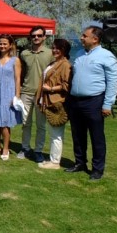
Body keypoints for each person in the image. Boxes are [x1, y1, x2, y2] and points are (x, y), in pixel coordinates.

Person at [66, 26, 117, 181]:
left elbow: (113, 82)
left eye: (84, 36)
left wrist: (107, 104)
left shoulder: (106, 56)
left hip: (94, 102)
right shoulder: (80, 54)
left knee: (96, 137)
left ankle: (97, 169)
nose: (81, 38)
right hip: (76, 101)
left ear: (95, 39)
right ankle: (80, 163)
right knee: (78, 135)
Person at [18, 26, 54, 163]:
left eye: (39, 35)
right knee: (25, 123)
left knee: (41, 125)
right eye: (33, 36)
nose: (36, 38)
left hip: (42, 94)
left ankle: (38, 150)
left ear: (44, 37)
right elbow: (21, 73)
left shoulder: (50, 53)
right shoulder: (24, 53)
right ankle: (25, 148)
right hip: (26, 92)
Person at [36, 39, 73, 169]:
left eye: (58, 48)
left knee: (56, 134)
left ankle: (55, 162)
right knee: (52, 133)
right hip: (46, 101)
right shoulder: (53, 63)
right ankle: (52, 159)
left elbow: (66, 85)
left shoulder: (65, 65)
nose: (54, 50)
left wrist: (51, 89)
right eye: (53, 48)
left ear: (64, 50)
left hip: (57, 104)